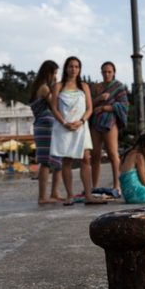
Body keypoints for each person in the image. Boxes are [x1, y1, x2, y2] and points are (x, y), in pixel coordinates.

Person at [51, 57, 103, 204]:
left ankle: (89, 195)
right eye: (71, 66)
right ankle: (70, 196)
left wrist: (81, 121)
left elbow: (90, 108)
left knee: (86, 158)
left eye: (76, 67)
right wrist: (64, 123)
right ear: (66, 68)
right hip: (64, 127)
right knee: (66, 161)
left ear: (79, 69)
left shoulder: (84, 86)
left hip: (81, 126)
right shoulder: (58, 86)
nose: (73, 69)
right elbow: (54, 108)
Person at [89, 61, 129, 197]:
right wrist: (99, 98)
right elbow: (88, 104)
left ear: (114, 72)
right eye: (104, 72)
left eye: (109, 72)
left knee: (113, 154)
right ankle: (93, 187)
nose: (106, 74)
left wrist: (105, 107)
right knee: (95, 155)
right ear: (101, 72)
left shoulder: (119, 87)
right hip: (95, 122)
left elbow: (124, 105)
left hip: (110, 122)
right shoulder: (96, 87)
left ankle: (117, 186)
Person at [29, 60, 62, 204]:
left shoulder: (41, 86)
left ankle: (54, 193)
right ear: (47, 72)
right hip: (45, 126)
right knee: (46, 162)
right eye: (54, 73)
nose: (55, 76)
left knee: (57, 161)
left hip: (49, 125)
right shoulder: (44, 88)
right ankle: (43, 197)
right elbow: (54, 103)